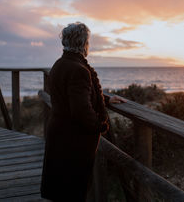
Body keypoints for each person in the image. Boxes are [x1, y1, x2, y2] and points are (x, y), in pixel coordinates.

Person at [41, 22, 125, 201]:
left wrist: (107, 100)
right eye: (88, 41)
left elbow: (75, 96)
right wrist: (100, 125)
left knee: (61, 189)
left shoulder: (60, 64)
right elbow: (80, 109)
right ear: (83, 43)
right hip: (73, 141)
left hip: (59, 135)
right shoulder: (79, 70)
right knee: (74, 190)